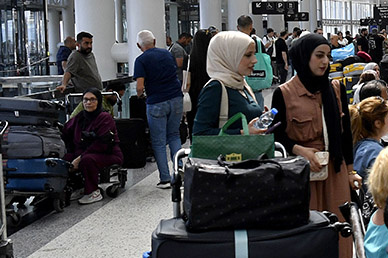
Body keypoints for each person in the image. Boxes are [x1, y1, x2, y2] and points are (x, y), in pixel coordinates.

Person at [272, 33, 360, 258]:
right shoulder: (285, 93)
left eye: (327, 55)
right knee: (308, 232)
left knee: (340, 231)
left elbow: (345, 135)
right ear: (303, 57)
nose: (325, 61)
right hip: (302, 174)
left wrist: (350, 171)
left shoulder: (334, 88)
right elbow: (276, 134)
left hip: (333, 169)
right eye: (319, 55)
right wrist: (298, 149)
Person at [133, 30, 184, 189]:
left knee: (159, 141)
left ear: (138, 45)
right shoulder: (167, 54)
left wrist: (141, 95)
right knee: (174, 135)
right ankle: (180, 171)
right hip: (176, 98)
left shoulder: (140, 60)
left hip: (156, 102)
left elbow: (139, 87)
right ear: (154, 41)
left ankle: (165, 179)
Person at [192, 31, 269, 136]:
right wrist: (242, 132)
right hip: (230, 148)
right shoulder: (215, 88)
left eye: (254, 54)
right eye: (248, 55)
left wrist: (259, 117)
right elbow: (200, 133)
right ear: (229, 56)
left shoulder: (241, 83)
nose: (255, 60)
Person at [61, 88, 122, 204]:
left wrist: (79, 158)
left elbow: (102, 144)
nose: (88, 103)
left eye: (92, 100)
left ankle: (93, 191)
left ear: (98, 101)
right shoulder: (80, 117)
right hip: (83, 152)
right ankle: (78, 186)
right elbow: (66, 131)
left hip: (107, 153)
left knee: (87, 160)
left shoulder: (105, 118)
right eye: (85, 100)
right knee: (64, 159)